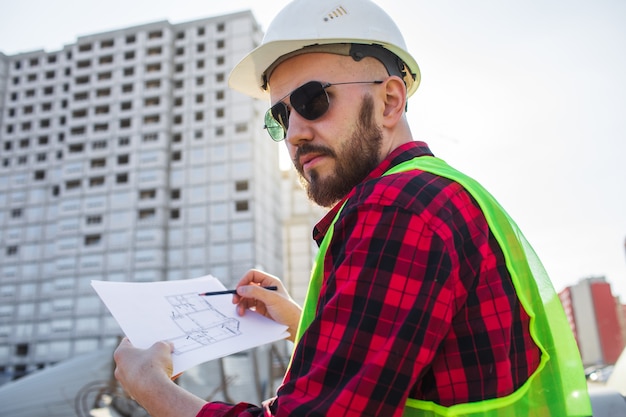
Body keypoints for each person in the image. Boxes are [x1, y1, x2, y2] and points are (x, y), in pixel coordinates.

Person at [113, 0, 592, 416]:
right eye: (281, 115)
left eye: (313, 99)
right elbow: (417, 372)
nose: (295, 130)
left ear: (389, 100)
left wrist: (151, 388)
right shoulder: (436, 193)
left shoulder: (398, 209)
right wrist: (301, 323)